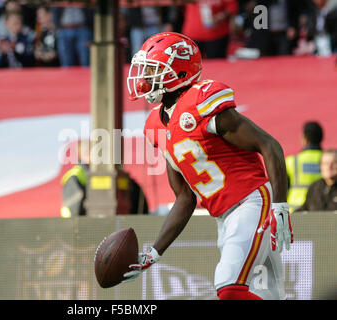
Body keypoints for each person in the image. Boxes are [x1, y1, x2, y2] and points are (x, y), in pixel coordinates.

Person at [123, 32, 293, 300]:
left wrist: (280, 205)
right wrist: (155, 252)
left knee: (228, 287)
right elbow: (184, 197)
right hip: (223, 217)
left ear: (178, 72)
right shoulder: (155, 125)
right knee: (267, 295)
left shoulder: (201, 102)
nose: (144, 77)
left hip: (251, 202)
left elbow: (270, 145)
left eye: (153, 69)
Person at [60, 140, 148, 218]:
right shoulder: (76, 177)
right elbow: (74, 212)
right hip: (82, 232)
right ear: (89, 154)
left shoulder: (116, 178)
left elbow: (139, 203)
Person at [285, 121, 323, 211]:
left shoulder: (292, 161)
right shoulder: (330, 162)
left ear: (305, 139)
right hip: (321, 210)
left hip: (295, 211)